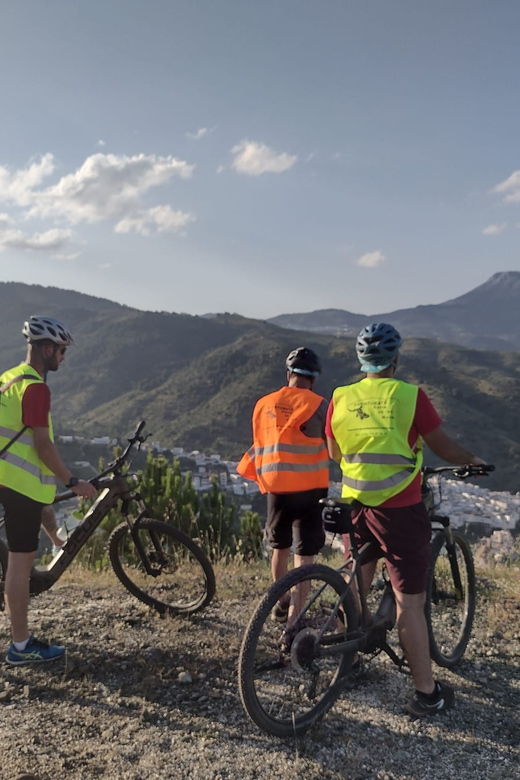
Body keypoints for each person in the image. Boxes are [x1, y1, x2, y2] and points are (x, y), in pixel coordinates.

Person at [326, 322, 485, 717]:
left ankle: (352, 659)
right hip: (400, 509)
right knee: (409, 604)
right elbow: (443, 446)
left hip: (354, 506)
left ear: (361, 359)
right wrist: (473, 461)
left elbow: (334, 451)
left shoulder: (340, 397)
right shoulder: (410, 396)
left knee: (356, 587)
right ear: (396, 358)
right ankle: (426, 694)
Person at [0, 315, 97, 665]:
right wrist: (73, 481)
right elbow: (42, 446)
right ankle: (21, 647)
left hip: (8, 479)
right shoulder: (37, 388)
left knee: (19, 559)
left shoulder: (10, 378)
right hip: (18, 485)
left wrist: (55, 535)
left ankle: (20, 641)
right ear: (45, 348)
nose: (63, 357)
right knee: (20, 567)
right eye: (60, 350)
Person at [237, 347, 329, 621]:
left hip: (276, 485)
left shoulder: (263, 404)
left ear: (288, 374)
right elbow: (334, 444)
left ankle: (281, 600)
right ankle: (295, 618)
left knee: (280, 546)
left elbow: (261, 442)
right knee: (306, 554)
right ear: (313, 378)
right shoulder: (320, 405)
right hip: (311, 487)